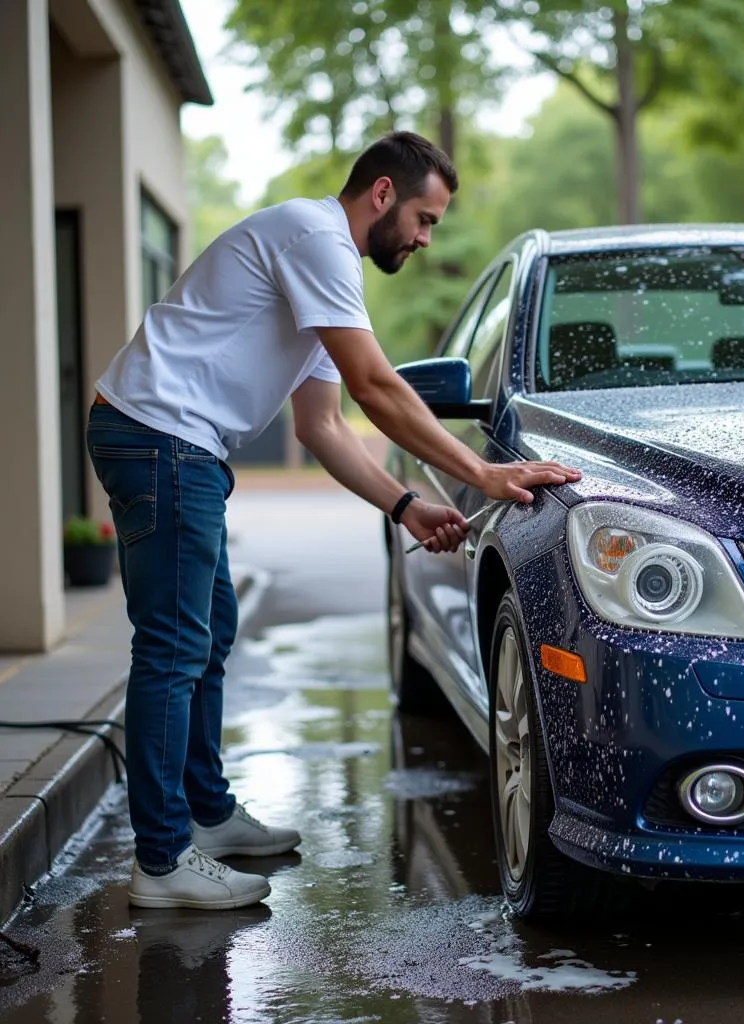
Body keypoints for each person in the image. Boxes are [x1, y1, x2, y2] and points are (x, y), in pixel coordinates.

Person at [87, 131, 582, 911]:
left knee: (206, 633)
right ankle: (160, 861)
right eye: (425, 218)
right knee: (174, 647)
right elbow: (376, 386)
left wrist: (405, 504)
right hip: (159, 438)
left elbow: (324, 425)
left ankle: (207, 817)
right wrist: (482, 472)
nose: (424, 239)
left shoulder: (327, 271)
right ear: (381, 193)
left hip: (175, 444)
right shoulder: (314, 236)